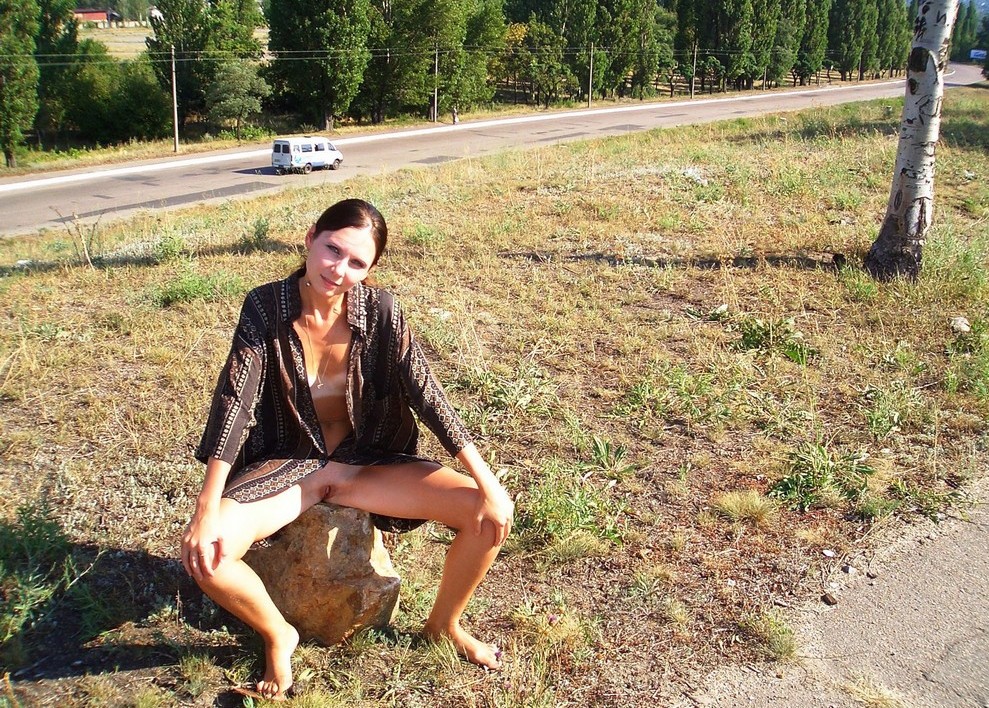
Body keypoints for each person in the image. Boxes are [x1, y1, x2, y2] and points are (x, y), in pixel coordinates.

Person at [180, 198, 514, 701]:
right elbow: (236, 401)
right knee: (209, 552)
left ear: (370, 268)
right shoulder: (265, 307)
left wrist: (487, 482)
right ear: (310, 238)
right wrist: (206, 507)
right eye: (333, 249)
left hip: (368, 462)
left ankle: (444, 625)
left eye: (357, 262)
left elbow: (427, 393)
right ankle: (278, 634)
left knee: (487, 517)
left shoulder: (381, 312)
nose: (338, 270)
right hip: (291, 464)